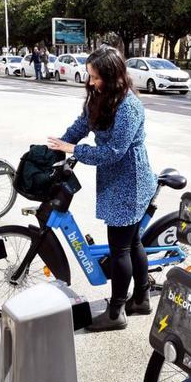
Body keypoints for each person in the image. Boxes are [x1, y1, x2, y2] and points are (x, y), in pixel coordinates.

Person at [46, 46, 156, 332]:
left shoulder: (129, 107)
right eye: (90, 76)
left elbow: (113, 152)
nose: (91, 82)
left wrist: (75, 149)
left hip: (130, 180)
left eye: (96, 77)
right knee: (132, 243)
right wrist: (59, 144)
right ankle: (141, 299)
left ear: (112, 75)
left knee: (121, 247)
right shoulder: (100, 97)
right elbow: (82, 124)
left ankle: (116, 311)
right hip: (115, 178)